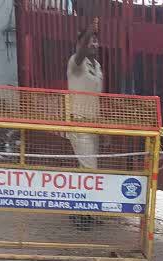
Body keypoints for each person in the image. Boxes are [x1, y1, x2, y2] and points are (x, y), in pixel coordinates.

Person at [65, 18, 101, 230]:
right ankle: (84, 213)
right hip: (79, 125)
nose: (94, 44)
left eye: (96, 41)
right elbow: (79, 54)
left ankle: (80, 210)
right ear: (81, 45)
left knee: (84, 169)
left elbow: (97, 98)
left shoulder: (97, 67)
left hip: (94, 125)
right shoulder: (75, 63)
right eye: (90, 41)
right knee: (90, 170)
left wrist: (103, 130)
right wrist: (89, 30)